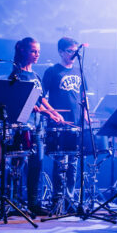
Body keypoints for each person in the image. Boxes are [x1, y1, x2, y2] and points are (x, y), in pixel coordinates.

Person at [9, 37, 63, 215]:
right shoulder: (17, 75)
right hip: (23, 126)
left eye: (38, 51)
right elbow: (25, 101)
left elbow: (42, 99)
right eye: (33, 51)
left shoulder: (36, 75)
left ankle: (34, 203)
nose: (37, 54)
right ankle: (15, 201)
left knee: (37, 164)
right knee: (19, 165)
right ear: (24, 51)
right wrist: (44, 111)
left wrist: (53, 112)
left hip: (38, 127)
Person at [42, 37, 84, 207]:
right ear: (60, 52)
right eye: (69, 51)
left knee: (74, 163)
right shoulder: (52, 71)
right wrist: (52, 113)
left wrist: (86, 114)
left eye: (75, 50)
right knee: (61, 163)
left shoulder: (79, 70)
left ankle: (70, 199)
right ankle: (57, 199)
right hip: (59, 125)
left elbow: (82, 95)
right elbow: (41, 97)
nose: (73, 54)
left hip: (76, 124)